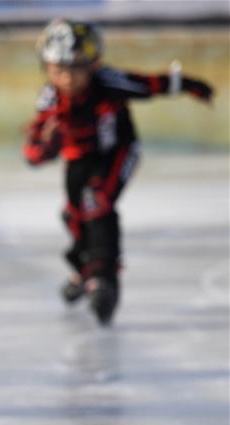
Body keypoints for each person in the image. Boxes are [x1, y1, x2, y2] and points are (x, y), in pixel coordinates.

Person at [24, 19, 213, 325]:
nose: (67, 78)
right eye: (58, 70)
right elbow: (32, 152)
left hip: (119, 152)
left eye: (75, 69)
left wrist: (191, 85)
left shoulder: (108, 82)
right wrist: (45, 147)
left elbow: (151, 84)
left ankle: (104, 276)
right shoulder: (50, 98)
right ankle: (83, 268)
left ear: (93, 65)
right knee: (73, 214)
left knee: (96, 201)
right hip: (79, 158)